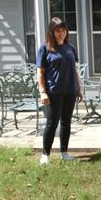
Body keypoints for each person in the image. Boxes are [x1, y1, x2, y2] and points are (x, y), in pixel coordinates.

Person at [36, 17, 83, 165]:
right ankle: (45, 154)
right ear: (52, 31)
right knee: (52, 123)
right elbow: (40, 73)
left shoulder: (70, 48)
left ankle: (64, 152)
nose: (61, 33)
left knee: (66, 122)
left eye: (63, 30)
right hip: (54, 92)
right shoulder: (45, 49)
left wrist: (79, 88)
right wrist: (42, 92)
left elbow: (75, 70)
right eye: (58, 30)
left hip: (70, 91)